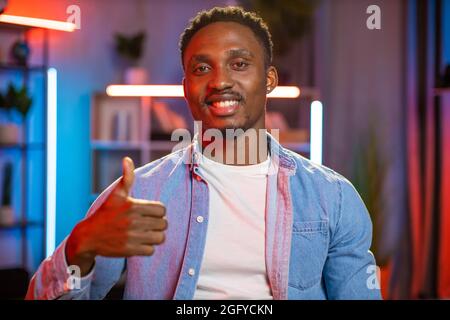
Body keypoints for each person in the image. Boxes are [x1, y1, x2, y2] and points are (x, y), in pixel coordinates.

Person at [26, 6, 381, 300]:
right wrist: (79, 248)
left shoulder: (331, 197)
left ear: (269, 80)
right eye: (201, 68)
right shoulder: (138, 193)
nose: (219, 81)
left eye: (239, 64)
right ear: (186, 88)